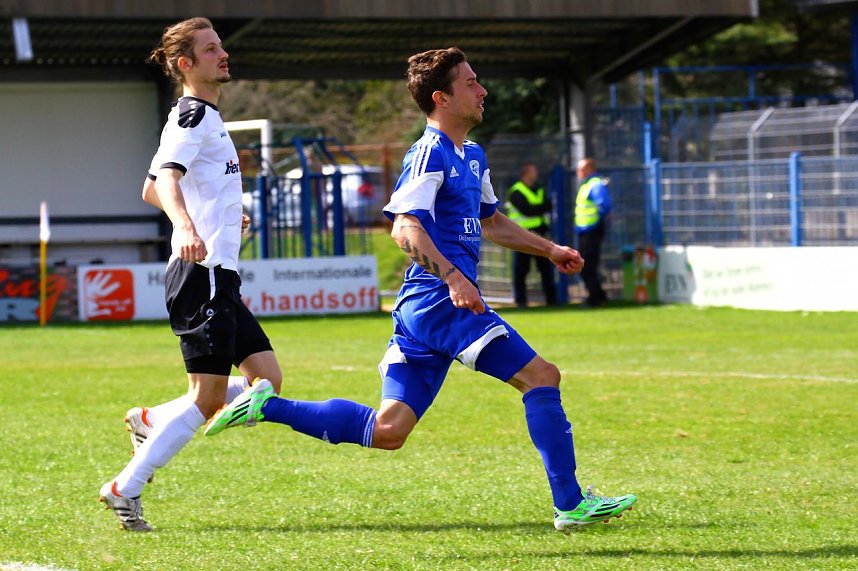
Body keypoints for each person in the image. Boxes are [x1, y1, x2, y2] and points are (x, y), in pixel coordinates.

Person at [205, 47, 636, 531]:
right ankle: (571, 504)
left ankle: (268, 405)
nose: (482, 90)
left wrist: (549, 249)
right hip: (439, 300)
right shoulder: (429, 152)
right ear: (442, 98)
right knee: (542, 377)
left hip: (423, 307)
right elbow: (404, 228)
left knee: (389, 431)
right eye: (470, 83)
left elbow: (491, 222)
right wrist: (453, 276)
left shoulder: (471, 156)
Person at [98, 17, 283, 532]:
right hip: (200, 275)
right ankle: (123, 488)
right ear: (186, 64)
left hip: (220, 275)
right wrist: (185, 225)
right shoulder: (192, 116)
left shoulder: (206, 117)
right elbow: (167, 181)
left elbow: (148, 188)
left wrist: (215, 216)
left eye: (221, 46)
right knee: (208, 399)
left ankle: (152, 419)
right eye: (210, 49)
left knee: (266, 379)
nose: (223, 55)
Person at [505, 163, 557, 307]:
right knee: (521, 270)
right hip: (522, 235)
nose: (536, 173)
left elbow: (549, 205)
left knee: (546, 269)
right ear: (526, 173)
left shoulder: (538, 188)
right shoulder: (516, 191)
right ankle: (521, 301)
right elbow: (527, 210)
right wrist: (541, 208)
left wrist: (538, 208)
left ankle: (552, 301)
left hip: (540, 233)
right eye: (533, 170)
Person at [574, 158, 612, 307]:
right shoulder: (587, 185)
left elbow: (604, 205)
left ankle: (595, 299)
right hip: (586, 231)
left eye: (581, 169)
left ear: (589, 169)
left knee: (587, 266)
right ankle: (599, 296)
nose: (578, 172)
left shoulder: (595, 184)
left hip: (592, 230)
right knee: (588, 265)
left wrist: (597, 224)